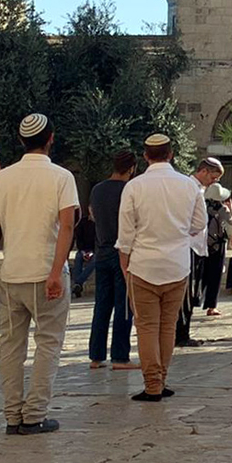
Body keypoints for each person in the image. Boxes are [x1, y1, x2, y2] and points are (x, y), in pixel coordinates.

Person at [0, 113, 78, 435]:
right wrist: (56, 271)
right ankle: (34, 414)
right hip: (46, 271)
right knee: (48, 344)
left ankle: (12, 415)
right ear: (51, 138)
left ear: (21, 141)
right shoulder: (62, 177)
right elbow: (67, 226)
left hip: (12, 274)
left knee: (10, 347)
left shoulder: (3, 180)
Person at [117, 132, 208, 403]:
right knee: (168, 326)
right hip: (177, 265)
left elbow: (126, 231)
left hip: (143, 265)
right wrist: (179, 233)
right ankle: (162, 379)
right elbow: (199, 223)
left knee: (146, 326)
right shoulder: (188, 186)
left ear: (145, 156)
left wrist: (125, 261)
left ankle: (152, 384)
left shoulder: (134, 187)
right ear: (171, 154)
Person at [88, 150, 136, 369]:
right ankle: (120, 356)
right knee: (123, 306)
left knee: (101, 305)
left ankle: (96, 356)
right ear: (132, 168)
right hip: (122, 252)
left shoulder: (97, 189)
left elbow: (93, 215)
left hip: (102, 251)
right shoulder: (129, 190)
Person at [177, 157, 225, 350]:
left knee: (192, 292)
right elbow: (194, 220)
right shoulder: (190, 188)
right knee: (186, 293)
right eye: (213, 177)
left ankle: (183, 332)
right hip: (189, 246)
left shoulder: (199, 189)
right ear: (203, 171)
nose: (214, 182)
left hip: (197, 247)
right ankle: (181, 334)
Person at [202, 181, 232, 315]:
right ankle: (211, 306)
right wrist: (231, 209)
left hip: (203, 243)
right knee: (215, 275)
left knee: (203, 274)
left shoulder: (202, 205)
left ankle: (195, 300)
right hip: (218, 244)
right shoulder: (222, 209)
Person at [70, 209, 97, 298]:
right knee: (78, 257)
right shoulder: (83, 222)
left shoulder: (99, 224)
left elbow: (99, 241)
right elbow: (79, 238)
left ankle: (77, 283)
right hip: (83, 249)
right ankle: (78, 285)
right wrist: (83, 251)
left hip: (94, 251)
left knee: (94, 260)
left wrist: (92, 252)